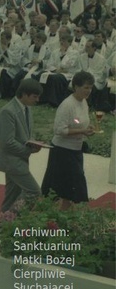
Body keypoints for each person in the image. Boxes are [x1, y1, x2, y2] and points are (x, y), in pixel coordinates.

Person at [41, 71, 97, 210]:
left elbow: (77, 121)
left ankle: (65, 217)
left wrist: (86, 128)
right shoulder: (67, 105)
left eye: (90, 87)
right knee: (64, 188)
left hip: (75, 150)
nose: (88, 91)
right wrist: (82, 131)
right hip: (62, 152)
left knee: (69, 190)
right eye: (85, 87)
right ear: (76, 87)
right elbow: (59, 130)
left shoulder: (83, 102)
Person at [0, 78, 45, 213]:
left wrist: (33, 143)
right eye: (35, 96)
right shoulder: (7, 111)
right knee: (34, 192)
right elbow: (6, 142)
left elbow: (23, 135)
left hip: (18, 160)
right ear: (24, 94)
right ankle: (13, 217)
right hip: (11, 161)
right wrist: (27, 150)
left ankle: (3, 228)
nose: (37, 100)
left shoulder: (26, 108)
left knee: (11, 197)